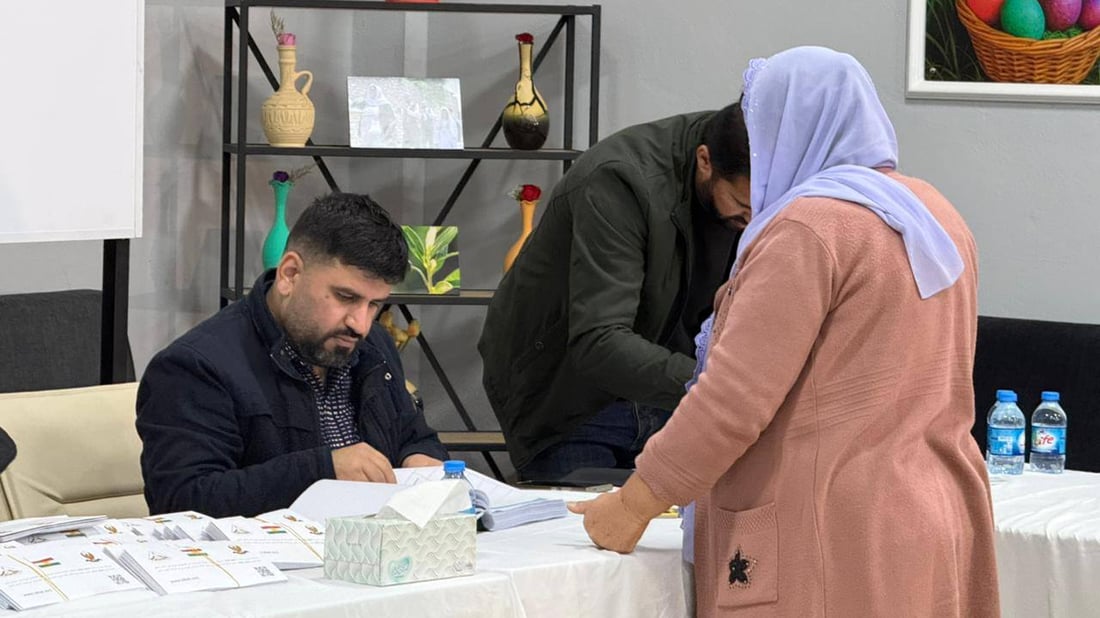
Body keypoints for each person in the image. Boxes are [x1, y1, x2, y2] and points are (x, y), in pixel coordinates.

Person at [569, 47, 1000, 617]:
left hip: (832, 528)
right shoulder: (935, 214)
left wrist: (634, 504)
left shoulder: (809, 228)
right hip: (938, 514)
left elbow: (733, 400)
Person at [478, 103, 752, 482]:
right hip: (570, 399)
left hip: (670, 394)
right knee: (581, 537)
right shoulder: (621, 180)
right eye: (742, 207)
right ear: (705, 161)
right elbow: (599, 340)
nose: (751, 222)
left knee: (677, 536)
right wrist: (717, 387)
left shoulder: (749, 164)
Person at [137, 193, 448, 518]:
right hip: (263, 563)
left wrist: (420, 459)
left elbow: (414, 434)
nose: (361, 324)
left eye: (375, 305)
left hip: (376, 554)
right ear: (289, 274)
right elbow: (181, 501)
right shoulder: (196, 367)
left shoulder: (373, 348)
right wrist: (322, 471)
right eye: (345, 297)